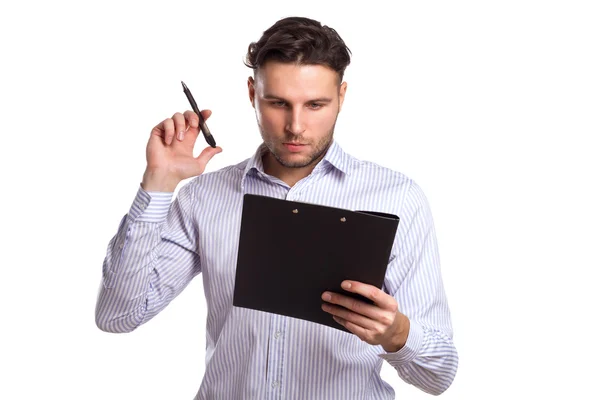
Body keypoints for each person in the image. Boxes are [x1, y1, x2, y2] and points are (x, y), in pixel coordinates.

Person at [95, 16, 458, 399]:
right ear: (252, 93)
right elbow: (116, 317)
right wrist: (158, 183)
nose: (296, 126)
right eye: (278, 103)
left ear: (342, 95)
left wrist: (397, 334)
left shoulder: (398, 197)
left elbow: (439, 376)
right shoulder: (204, 196)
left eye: (316, 104)